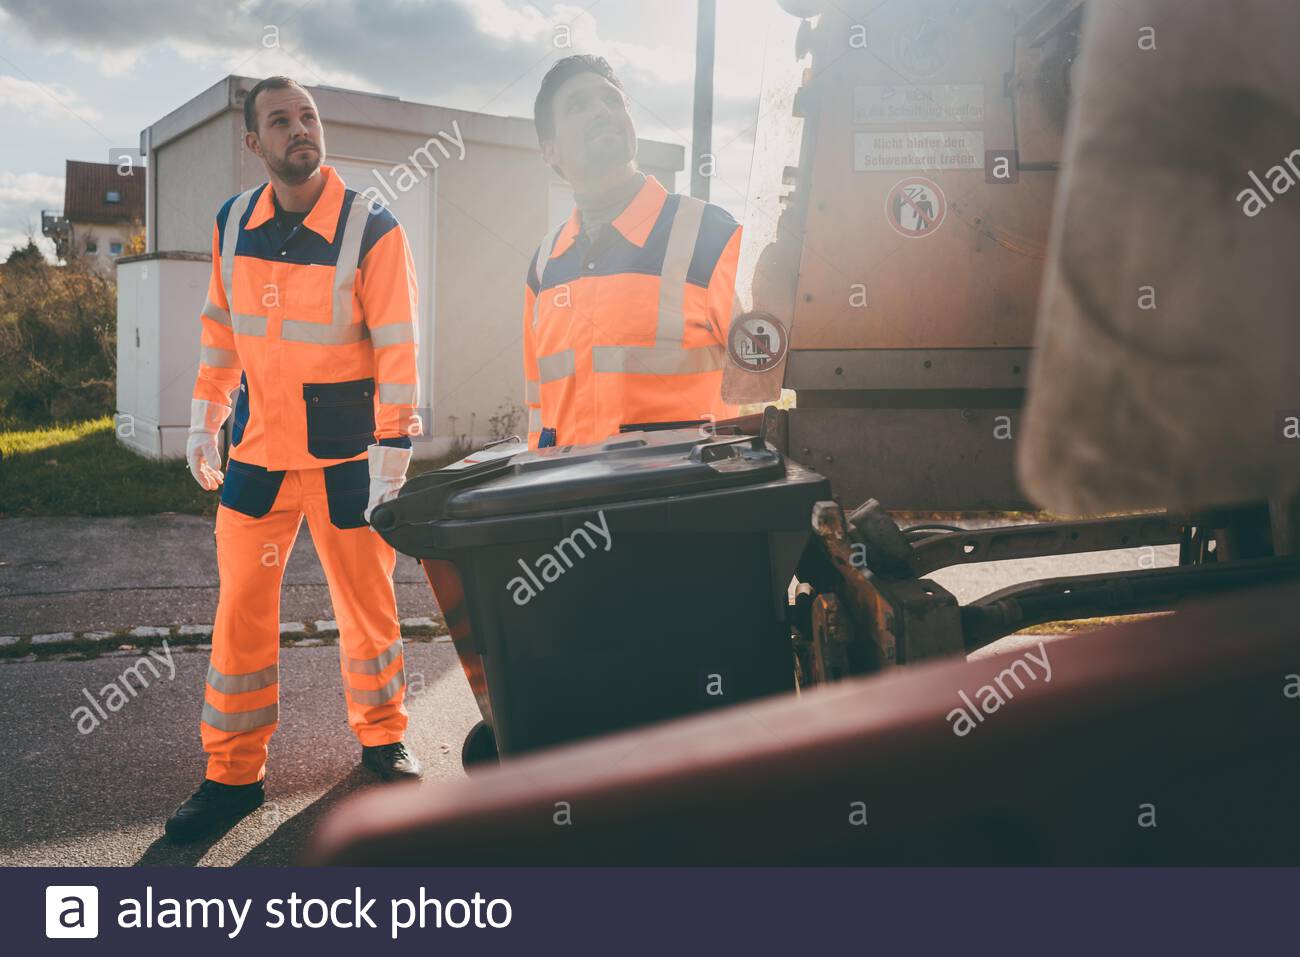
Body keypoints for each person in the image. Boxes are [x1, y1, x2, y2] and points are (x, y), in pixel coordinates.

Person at [168, 76, 424, 843]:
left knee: (367, 607)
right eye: (280, 120)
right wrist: (204, 413)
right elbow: (220, 327)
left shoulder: (371, 227)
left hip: (348, 454)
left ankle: (383, 739)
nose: (300, 128)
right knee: (240, 612)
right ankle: (232, 776)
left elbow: (399, 348)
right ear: (255, 144)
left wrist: (394, 449)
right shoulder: (232, 222)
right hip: (257, 451)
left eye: (308, 116)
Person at [523, 55, 741, 449]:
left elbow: (764, 376)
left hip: (687, 503)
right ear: (550, 150)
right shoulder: (544, 264)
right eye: (578, 105)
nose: (602, 112)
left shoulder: (709, 235)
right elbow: (540, 406)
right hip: (570, 499)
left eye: (612, 101)